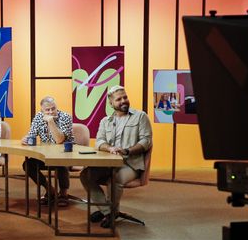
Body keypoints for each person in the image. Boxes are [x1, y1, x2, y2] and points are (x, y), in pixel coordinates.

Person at [80, 85, 152, 228]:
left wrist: (126, 151)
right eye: (119, 99)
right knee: (86, 175)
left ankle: (110, 213)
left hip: (131, 164)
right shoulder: (105, 121)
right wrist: (110, 148)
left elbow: (146, 141)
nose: (123, 101)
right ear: (111, 103)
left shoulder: (140, 116)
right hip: (109, 163)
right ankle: (107, 211)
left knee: (115, 178)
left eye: (125, 97)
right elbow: (99, 142)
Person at [20, 96, 74, 207]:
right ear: (42, 110)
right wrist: (25, 139)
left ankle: (64, 194)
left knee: (61, 164)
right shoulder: (38, 117)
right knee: (27, 165)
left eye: (53, 109)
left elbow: (59, 140)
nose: (50, 112)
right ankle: (49, 189)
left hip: (64, 154)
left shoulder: (65, 117)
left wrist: (50, 122)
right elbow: (32, 135)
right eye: (47, 110)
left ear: (56, 107)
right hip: (46, 155)